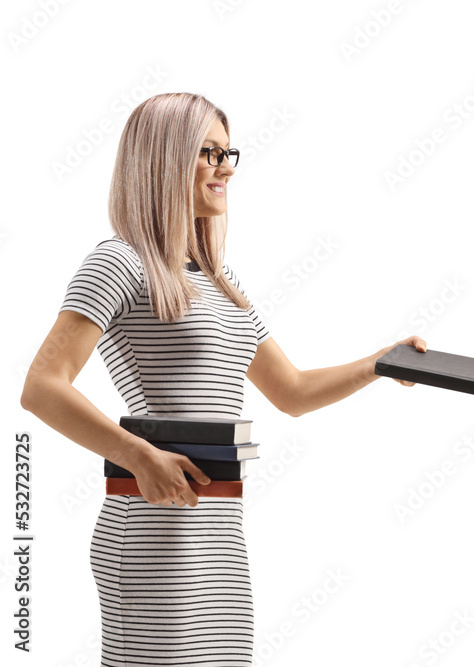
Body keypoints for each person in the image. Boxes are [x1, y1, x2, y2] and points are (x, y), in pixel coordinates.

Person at [19, 92, 425, 667]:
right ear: (163, 158)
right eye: (207, 153)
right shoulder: (120, 261)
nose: (226, 167)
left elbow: (293, 391)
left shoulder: (221, 278)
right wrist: (138, 454)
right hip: (154, 530)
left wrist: (380, 364)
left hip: (217, 531)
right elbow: (42, 386)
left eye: (227, 151)